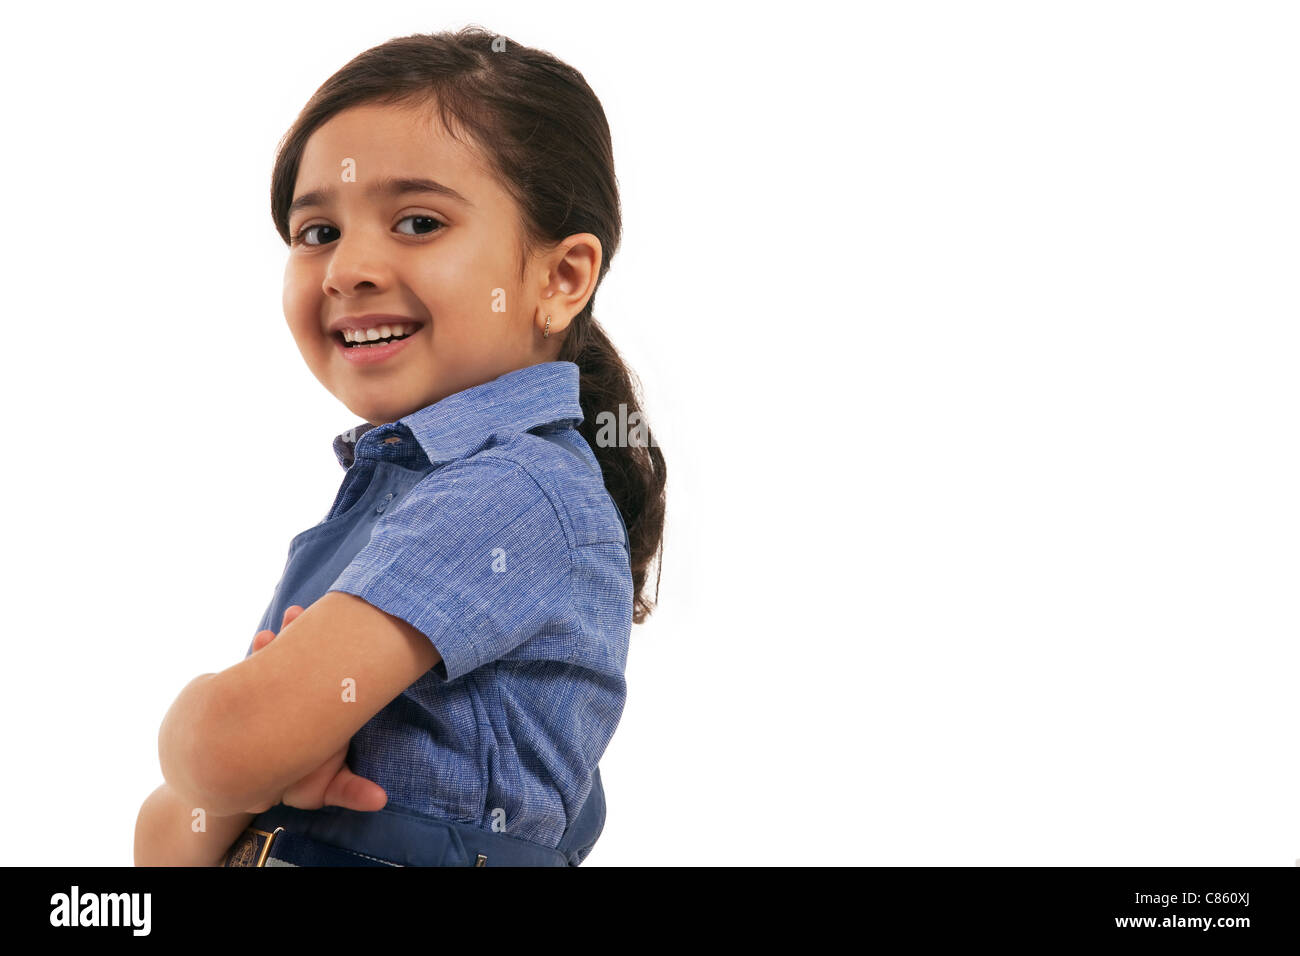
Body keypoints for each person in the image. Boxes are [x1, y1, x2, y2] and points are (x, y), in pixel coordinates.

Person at [134, 26, 666, 867]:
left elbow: (219, 757)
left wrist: (220, 734)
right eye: (318, 234)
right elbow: (170, 835)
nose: (348, 268)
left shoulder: (513, 493)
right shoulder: (395, 497)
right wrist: (253, 762)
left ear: (560, 279)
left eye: (418, 221)